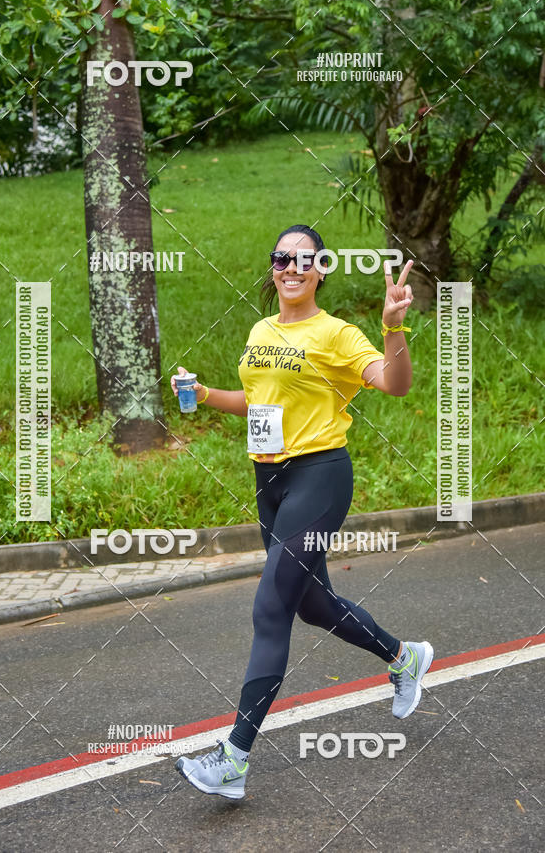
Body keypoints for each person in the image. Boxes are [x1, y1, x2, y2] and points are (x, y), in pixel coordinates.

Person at [173, 225, 433, 800]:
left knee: (271, 607)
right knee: (312, 604)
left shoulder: (336, 333)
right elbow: (257, 402)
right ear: (273, 269)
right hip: (270, 481)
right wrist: (205, 394)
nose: (291, 268)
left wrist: (393, 327)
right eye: (281, 259)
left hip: (319, 477)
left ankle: (234, 760)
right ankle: (404, 657)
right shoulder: (261, 329)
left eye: (304, 260)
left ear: (321, 270)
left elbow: (394, 384)